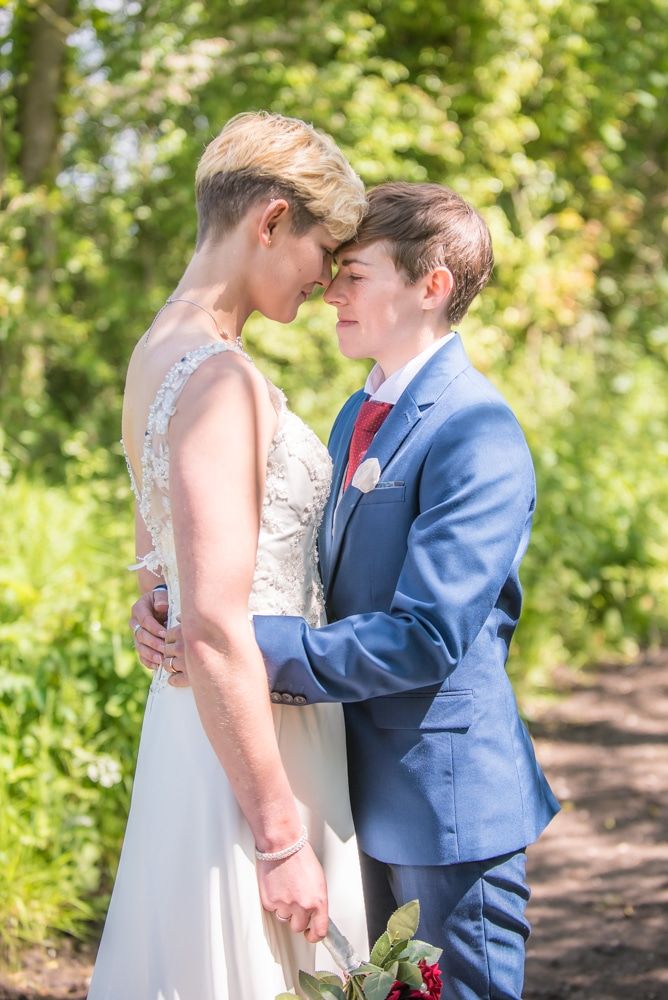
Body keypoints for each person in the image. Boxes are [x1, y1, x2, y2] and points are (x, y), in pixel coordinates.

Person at [137, 181, 560, 999]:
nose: (331, 290)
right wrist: (173, 604)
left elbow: (426, 636)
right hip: (350, 790)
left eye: (355, 273)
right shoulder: (351, 414)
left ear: (430, 285)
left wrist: (239, 642)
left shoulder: (477, 429)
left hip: (446, 804)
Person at [88, 111, 368, 1000]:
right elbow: (212, 622)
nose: (328, 281)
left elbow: (160, 566)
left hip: (195, 725)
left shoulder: (152, 353)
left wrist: (154, 605)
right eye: (325, 249)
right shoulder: (219, 376)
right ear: (272, 220)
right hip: (253, 740)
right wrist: (280, 835)